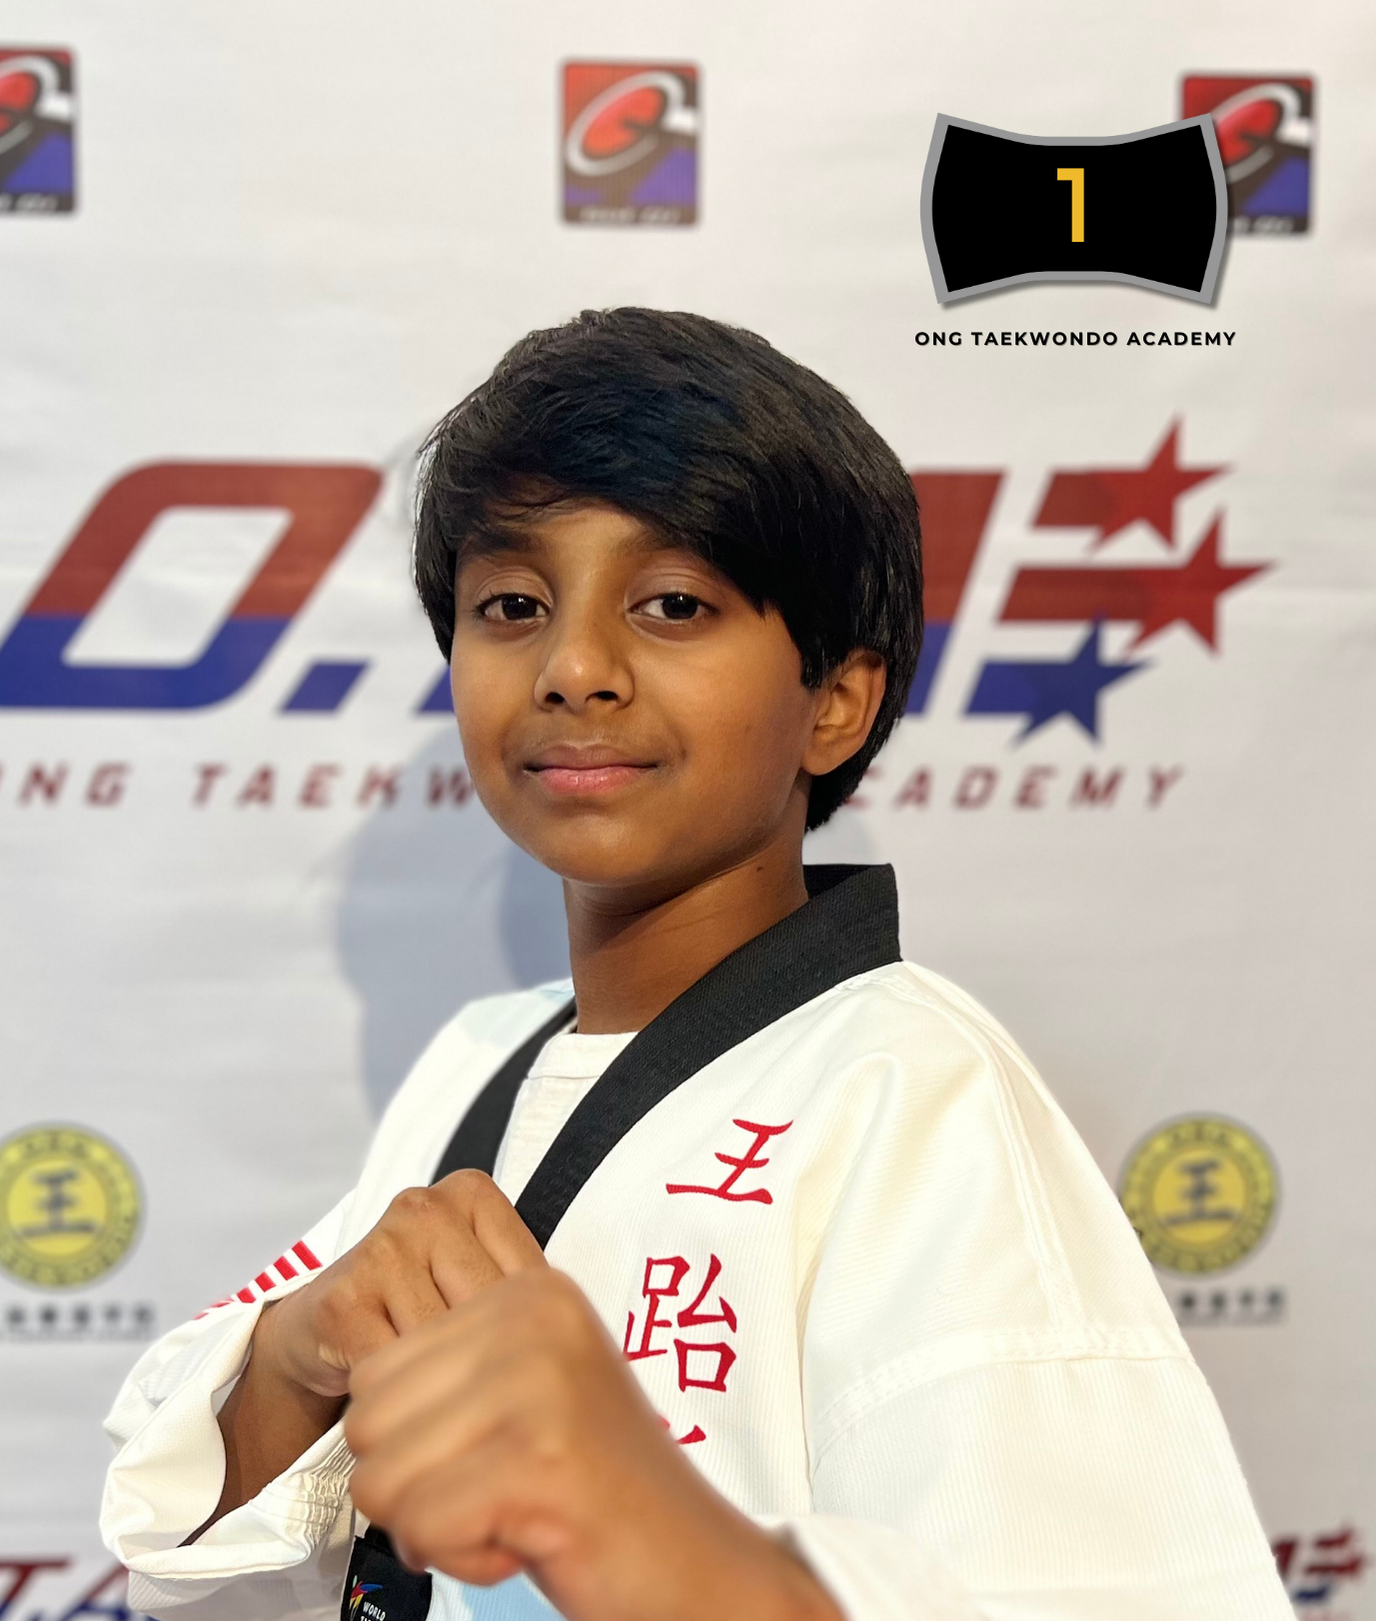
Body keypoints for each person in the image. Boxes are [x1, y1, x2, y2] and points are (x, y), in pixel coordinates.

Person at [100, 309, 1291, 1621]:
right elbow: (196, 1547)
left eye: (673, 603)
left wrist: (644, 1517)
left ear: (833, 700)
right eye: (512, 605)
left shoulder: (911, 1092)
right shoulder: (478, 1064)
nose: (573, 668)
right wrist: (295, 1352)